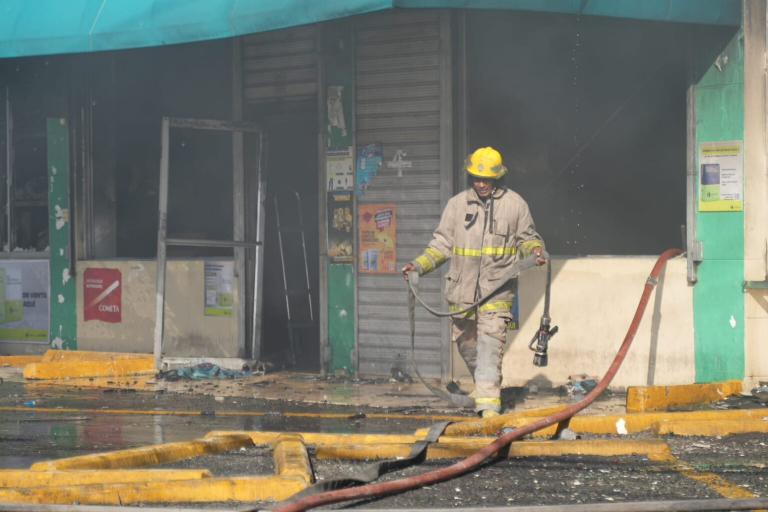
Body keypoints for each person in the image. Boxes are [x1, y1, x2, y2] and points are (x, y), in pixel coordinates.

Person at [402, 147, 547, 418]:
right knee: (467, 344)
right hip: (462, 292)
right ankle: (484, 388)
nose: (481, 184)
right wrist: (418, 266)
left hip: (497, 290)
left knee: (490, 346)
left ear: (497, 178)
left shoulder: (515, 205)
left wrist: (535, 251)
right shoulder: (457, 205)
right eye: (476, 179)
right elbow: (441, 245)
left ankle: (488, 407)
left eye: (486, 179)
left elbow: (527, 239)